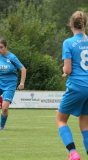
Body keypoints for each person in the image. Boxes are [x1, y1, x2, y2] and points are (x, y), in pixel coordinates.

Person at [56, 11, 88, 160]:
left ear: (71, 25)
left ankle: (73, 153)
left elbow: (68, 69)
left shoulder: (68, 43)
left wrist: (64, 71)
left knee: (61, 119)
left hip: (77, 86)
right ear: (85, 24)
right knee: (85, 124)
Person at [0, 39, 26, 130]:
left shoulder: (12, 57)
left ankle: (1, 127)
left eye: (1, 47)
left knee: (5, 108)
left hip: (10, 84)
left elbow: (23, 69)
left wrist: (21, 83)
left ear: (6, 47)